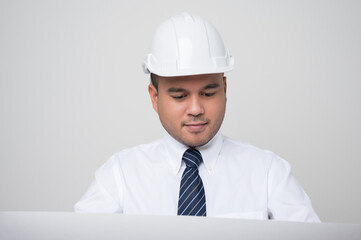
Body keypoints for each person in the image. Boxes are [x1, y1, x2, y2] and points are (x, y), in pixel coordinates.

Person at [74, 12, 320, 222]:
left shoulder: (269, 174)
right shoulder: (119, 177)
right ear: (154, 97)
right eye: (180, 96)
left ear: (225, 90)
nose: (195, 108)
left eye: (208, 93)